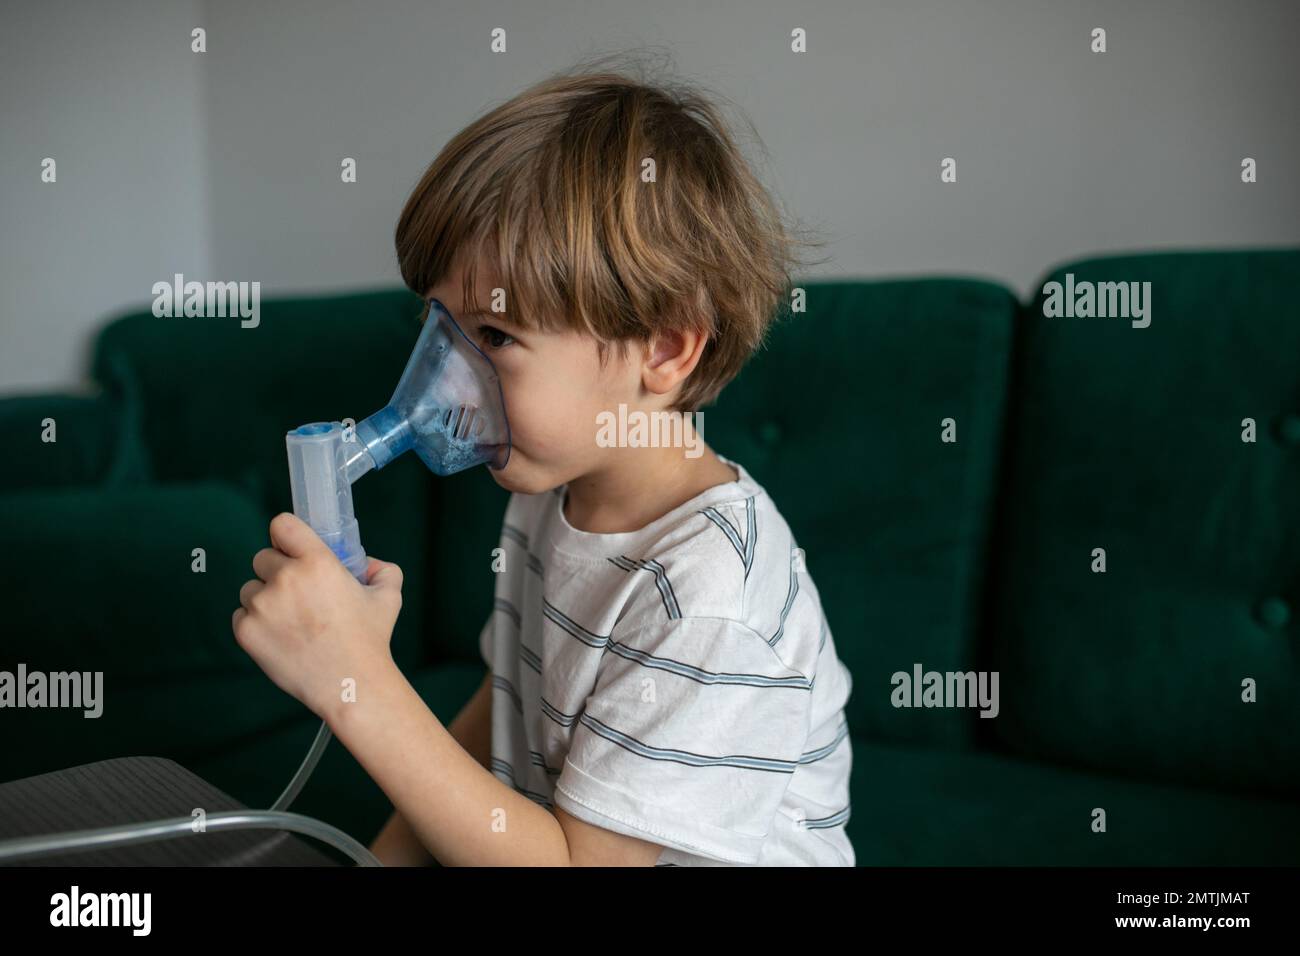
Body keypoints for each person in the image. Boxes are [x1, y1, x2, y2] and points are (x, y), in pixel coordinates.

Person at [233, 54, 854, 866]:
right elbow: (502, 714)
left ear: (662, 349)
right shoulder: (547, 490)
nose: (446, 379)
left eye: (493, 337)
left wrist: (355, 684)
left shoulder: (707, 602)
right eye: (439, 326)